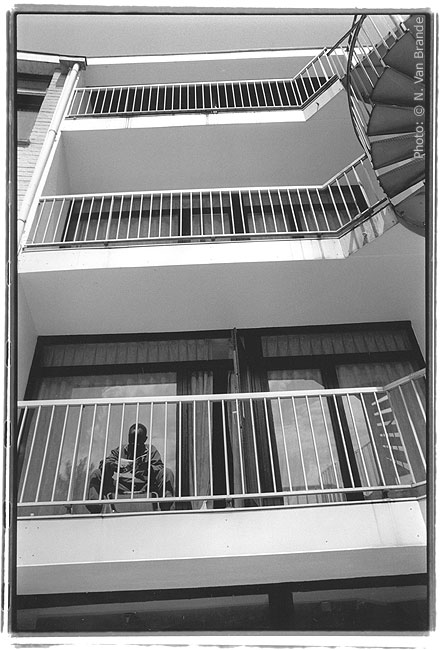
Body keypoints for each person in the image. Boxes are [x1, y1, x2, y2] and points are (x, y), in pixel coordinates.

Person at [86, 423, 174, 513]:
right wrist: (112, 465)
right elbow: (105, 463)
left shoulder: (151, 450)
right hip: (121, 486)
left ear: (145, 439)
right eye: (132, 441)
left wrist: (148, 469)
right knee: (97, 473)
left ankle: (166, 509)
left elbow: (159, 467)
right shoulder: (120, 450)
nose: (134, 445)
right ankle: (94, 510)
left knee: (167, 472)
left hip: (145, 486)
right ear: (128, 437)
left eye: (138, 442)